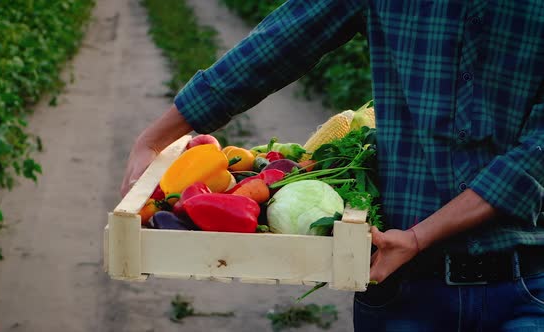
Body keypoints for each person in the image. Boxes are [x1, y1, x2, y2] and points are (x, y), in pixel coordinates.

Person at [121, 1, 544, 331]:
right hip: (404, 287)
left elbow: (535, 157)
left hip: (526, 283)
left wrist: (418, 236)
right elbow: (278, 43)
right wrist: (153, 139)